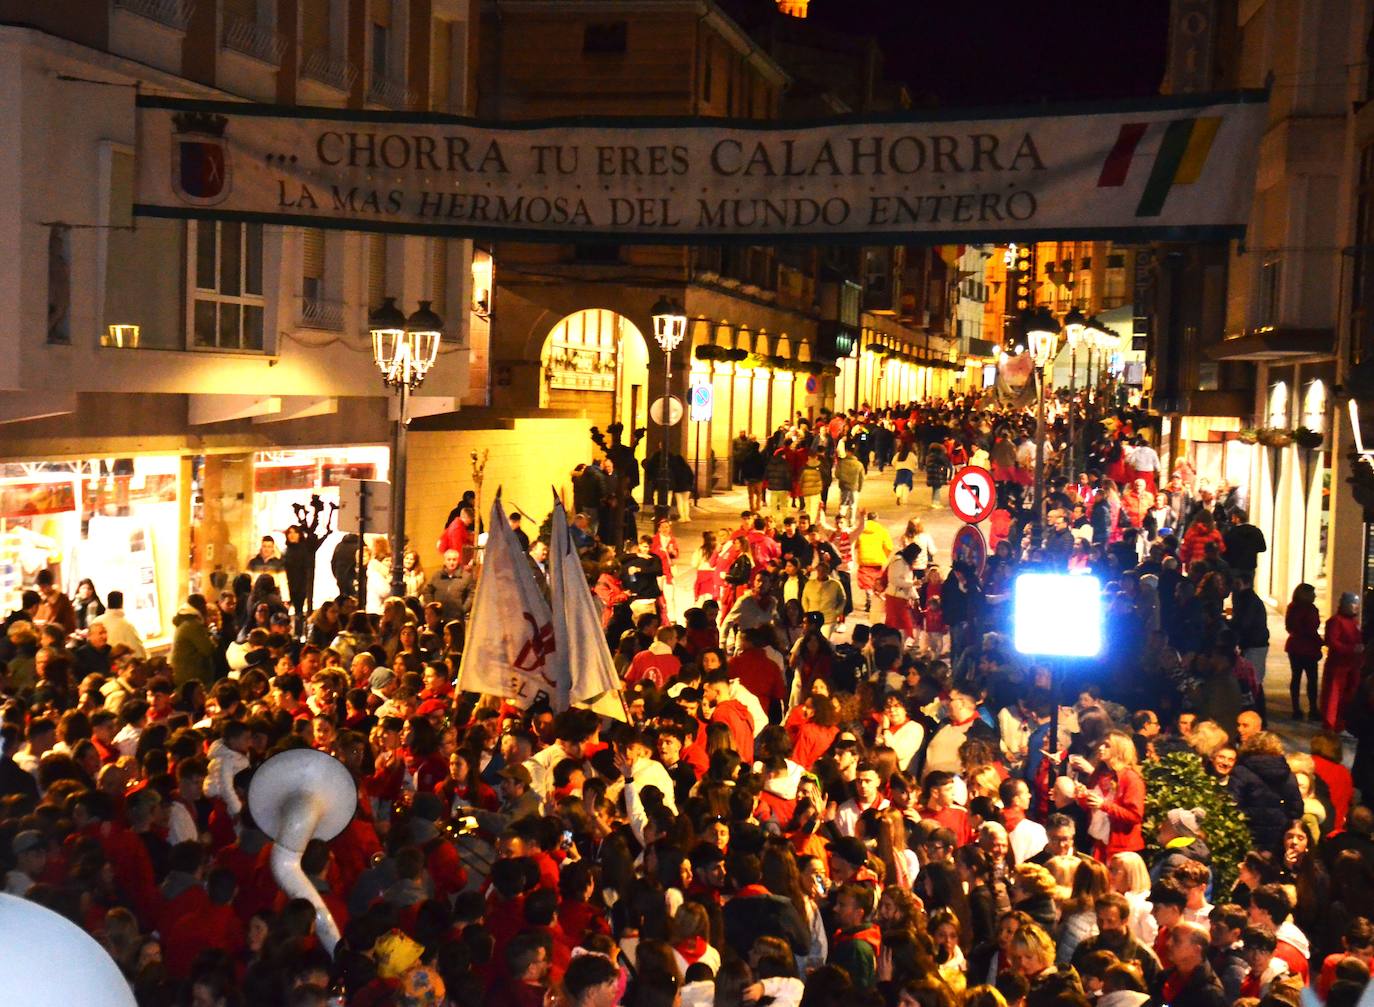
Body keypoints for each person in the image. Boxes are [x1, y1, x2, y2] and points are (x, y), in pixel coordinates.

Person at [1321, 592, 1363, 733]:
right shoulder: (1335, 621)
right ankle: (1330, 724)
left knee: (1348, 695)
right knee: (1333, 695)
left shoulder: (1354, 622)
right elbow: (1332, 642)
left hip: (1352, 665)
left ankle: (1341, 722)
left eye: (1357, 604)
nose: (1356, 607)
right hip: (1339, 665)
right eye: (1353, 604)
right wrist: (1352, 649)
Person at [1285, 583, 1323, 721]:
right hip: (1308, 648)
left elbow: (1289, 627)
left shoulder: (1292, 607)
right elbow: (1311, 629)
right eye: (1313, 593)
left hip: (1294, 646)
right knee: (1312, 679)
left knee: (1296, 677)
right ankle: (1313, 708)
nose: (1315, 596)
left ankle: (1296, 709)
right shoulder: (1310, 609)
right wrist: (1321, 642)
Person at [88, 590, 146, 660]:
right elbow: (137, 650)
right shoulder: (126, 625)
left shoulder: (97, 621)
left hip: (97, 661)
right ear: (121, 604)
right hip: (119, 664)